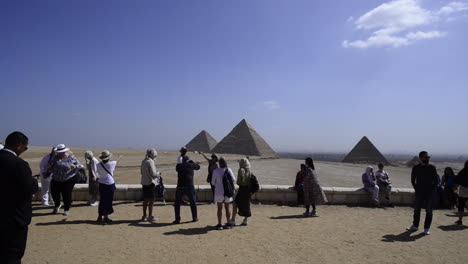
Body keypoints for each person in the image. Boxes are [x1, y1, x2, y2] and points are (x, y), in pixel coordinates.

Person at [0, 131, 38, 263]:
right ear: (18, 146)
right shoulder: (18, 163)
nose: (25, 150)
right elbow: (29, 189)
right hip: (14, 218)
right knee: (13, 254)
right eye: (25, 147)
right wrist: (33, 181)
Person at [407, 151, 439, 235]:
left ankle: (426, 228)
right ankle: (415, 225)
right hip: (419, 192)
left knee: (429, 211)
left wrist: (432, 191)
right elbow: (413, 180)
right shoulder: (416, 168)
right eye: (425, 157)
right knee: (416, 209)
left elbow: (436, 181)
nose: (427, 158)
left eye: (428, 157)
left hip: (429, 193)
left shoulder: (432, 167)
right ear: (420, 158)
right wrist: (416, 189)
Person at [50, 144, 83, 216]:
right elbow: (50, 166)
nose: (59, 153)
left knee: (66, 194)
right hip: (56, 178)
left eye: (61, 152)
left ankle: (66, 209)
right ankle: (57, 205)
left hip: (68, 179)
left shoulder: (71, 157)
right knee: (54, 193)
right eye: (58, 152)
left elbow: (80, 165)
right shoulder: (55, 158)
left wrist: (75, 166)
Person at [96, 150, 122, 224]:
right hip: (110, 184)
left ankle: (99, 216)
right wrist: (119, 157)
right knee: (108, 201)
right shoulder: (111, 164)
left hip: (101, 184)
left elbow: (99, 173)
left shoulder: (98, 165)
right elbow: (117, 161)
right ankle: (106, 217)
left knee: (102, 200)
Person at [230, 158, 258, 226]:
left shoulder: (241, 170)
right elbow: (257, 185)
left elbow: (238, 182)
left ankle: (233, 220)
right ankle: (245, 220)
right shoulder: (251, 173)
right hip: (248, 191)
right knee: (247, 205)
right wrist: (251, 192)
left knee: (235, 203)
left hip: (242, 189)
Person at [173, 156, 200, 224]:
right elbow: (198, 167)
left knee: (177, 203)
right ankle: (195, 217)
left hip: (180, 186)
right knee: (193, 202)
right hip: (189, 186)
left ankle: (177, 219)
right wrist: (193, 162)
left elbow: (177, 167)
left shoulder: (179, 166)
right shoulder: (191, 165)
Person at [212, 157, 236, 230]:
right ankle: (228, 223)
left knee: (219, 208)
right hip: (227, 192)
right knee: (227, 207)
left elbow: (213, 183)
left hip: (219, 192)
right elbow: (234, 179)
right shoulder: (229, 170)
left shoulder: (216, 171)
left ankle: (219, 224)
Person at [140, 148, 161, 222]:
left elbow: (141, 172)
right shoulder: (150, 162)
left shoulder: (143, 161)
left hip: (144, 182)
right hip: (150, 183)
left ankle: (144, 216)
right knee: (151, 201)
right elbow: (153, 174)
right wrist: (158, 173)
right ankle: (150, 216)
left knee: (145, 200)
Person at [455, 161, 468, 225]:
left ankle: (460, 220)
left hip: (463, 190)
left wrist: (455, 187)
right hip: (463, 190)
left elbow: (458, 180)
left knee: (461, 206)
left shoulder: (463, 171)